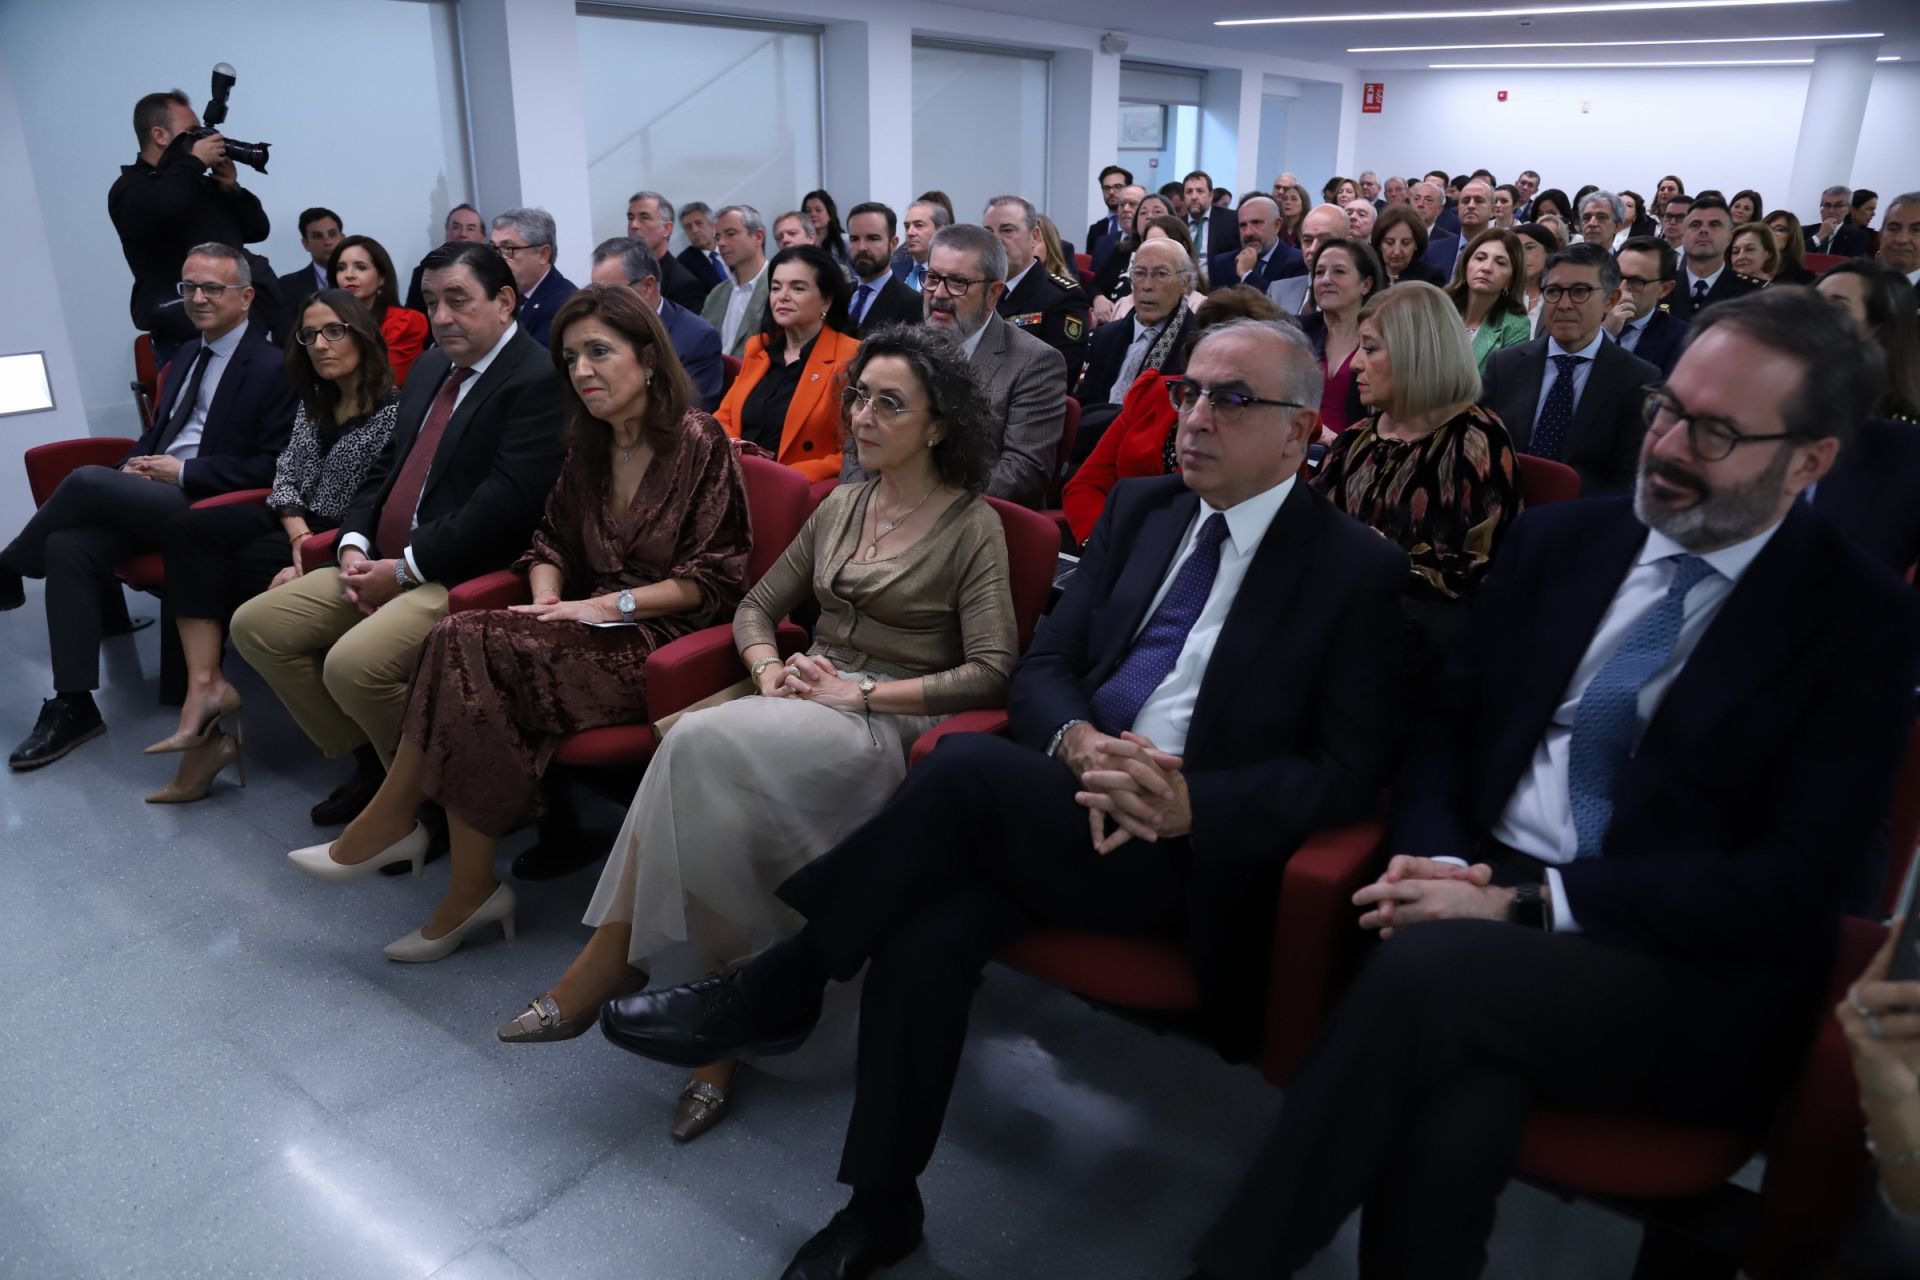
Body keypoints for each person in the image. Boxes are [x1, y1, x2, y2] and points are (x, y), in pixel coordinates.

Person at [598, 316, 1412, 1277]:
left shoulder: (1354, 568)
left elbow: (1351, 773)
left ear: (1297, 431)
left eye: (1230, 401)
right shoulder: (1147, 512)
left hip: (1177, 846)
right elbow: (1049, 666)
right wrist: (1075, 741)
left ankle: (786, 980)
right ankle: (881, 1204)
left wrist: (1197, 803)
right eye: (1188, 391)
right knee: (923, 931)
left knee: (959, 771)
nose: (1193, 417)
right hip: (1063, 799)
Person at [1190, 291, 1920, 1280]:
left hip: (1673, 971)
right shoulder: (1562, 541)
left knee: (1428, 974)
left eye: (1714, 432)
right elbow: (1451, 728)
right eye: (1667, 407)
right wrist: (1447, 859)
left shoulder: (1861, 622)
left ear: (1811, 458)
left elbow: (1793, 880)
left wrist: (1522, 904)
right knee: (1452, 1117)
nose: (1666, 446)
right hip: (1479, 899)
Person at [504, 324, 1017, 1150]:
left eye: (892, 404)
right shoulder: (844, 503)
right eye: (859, 397)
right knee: (707, 776)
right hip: (796, 698)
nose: (864, 417)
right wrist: (768, 664)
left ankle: (616, 964)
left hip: (885, 723)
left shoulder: (971, 525)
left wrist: (865, 690)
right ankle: (715, 1035)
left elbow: (993, 670)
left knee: (694, 745)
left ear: (939, 425)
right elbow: (753, 605)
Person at [288, 284, 752, 965]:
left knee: (462, 641)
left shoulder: (697, 439)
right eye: (570, 358)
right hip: (575, 632)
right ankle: (458, 881)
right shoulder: (588, 446)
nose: (583, 370)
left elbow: (715, 580)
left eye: (600, 352)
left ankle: (410, 838)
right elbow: (549, 546)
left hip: (658, 642)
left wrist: (601, 607)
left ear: (649, 359)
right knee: (466, 650)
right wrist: (543, 601)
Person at [230, 240, 565, 826]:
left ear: (505, 301)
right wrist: (354, 543)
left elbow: (506, 508)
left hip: (468, 572)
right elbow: (387, 465)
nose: (441, 317)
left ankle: (438, 803)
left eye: (458, 300)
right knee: (257, 625)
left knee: (352, 665)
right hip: (384, 558)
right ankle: (380, 770)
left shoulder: (535, 379)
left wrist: (404, 567)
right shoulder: (436, 364)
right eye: (432, 301)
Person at [0, 243, 296, 770]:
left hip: (215, 508)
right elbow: (158, 434)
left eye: (212, 288)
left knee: (88, 479)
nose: (197, 298)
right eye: (188, 287)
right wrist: (137, 466)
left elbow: (273, 467)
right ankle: (74, 705)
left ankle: (10, 567)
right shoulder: (184, 356)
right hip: (160, 499)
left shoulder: (275, 367)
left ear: (246, 297)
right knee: (70, 544)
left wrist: (179, 472)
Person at [145, 289, 400, 803]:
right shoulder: (315, 401)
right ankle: (205, 685)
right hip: (293, 523)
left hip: (345, 535)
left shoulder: (394, 412)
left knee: (228, 574)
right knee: (188, 531)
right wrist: (297, 540)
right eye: (309, 335)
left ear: (361, 334)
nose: (321, 346)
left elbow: (370, 503)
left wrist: (309, 554)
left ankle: (368, 762)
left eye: (334, 331)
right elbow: (285, 480)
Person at [1318, 280, 1521, 664]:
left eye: (1371, 348)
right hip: (1338, 610)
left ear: (1417, 353)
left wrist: (1367, 561)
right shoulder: (1356, 438)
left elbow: (1469, 572)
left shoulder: (1475, 439)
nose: (1356, 362)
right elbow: (1311, 523)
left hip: (1416, 639)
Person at [844, 225, 1068, 507]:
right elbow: (858, 441)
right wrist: (858, 504)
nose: (939, 294)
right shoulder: (901, 346)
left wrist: (923, 506)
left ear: (993, 293)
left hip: (967, 522)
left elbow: (1023, 470)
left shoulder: (1034, 362)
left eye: (958, 282)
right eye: (933, 277)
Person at [1061, 287, 1282, 544]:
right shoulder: (1153, 392)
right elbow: (1086, 485)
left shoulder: (1266, 422)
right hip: (1111, 545)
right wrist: (1103, 545)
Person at [109, 89, 285, 366]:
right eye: (191, 131)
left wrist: (230, 189)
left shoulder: (198, 183)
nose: (200, 139)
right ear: (159, 135)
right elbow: (167, 206)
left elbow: (257, 229)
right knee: (199, 409)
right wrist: (193, 162)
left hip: (242, 328)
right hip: (185, 336)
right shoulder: (130, 190)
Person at [1480, 241, 1659, 495]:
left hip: (1583, 520)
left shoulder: (1638, 379)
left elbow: (1626, 479)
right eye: (1553, 291)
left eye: (1580, 291)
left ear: (1610, 300)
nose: (1564, 304)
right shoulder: (1505, 365)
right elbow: (1480, 447)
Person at [714, 244, 859, 483]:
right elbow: (724, 418)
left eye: (797, 288)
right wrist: (736, 455)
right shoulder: (758, 348)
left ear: (826, 301)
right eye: (776, 287)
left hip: (798, 491)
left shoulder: (850, 356)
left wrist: (784, 479)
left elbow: (851, 452)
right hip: (739, 478)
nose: (782, 296)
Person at [588, 236, 724, 411]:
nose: (601, 304)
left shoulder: (697, 339)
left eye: (612, 293)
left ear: (647, 286)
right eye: (596, 292)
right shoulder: (600, 331)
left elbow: (690, 415)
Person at [1078, 239, 1198, 408]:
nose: (1147, 286)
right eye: (1139, 273)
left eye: (1161, 274)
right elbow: (1086, 405)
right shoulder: (1105, 337)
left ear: (1184, 283)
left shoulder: (1197, 344)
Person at [986, 195, 1091, 387]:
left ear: (1034, 237)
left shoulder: (1063, 297)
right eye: (988, 232)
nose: (995, 241)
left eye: (1007, 230)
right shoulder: (979, 290)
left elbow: (1059, 375)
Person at [1817, 260, 1920, 424]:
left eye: (1837, 307)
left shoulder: (1895, 426)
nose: (1813, 313)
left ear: (1880, 330)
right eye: (1813, 301)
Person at [1303, 238, 1385, 436]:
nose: (1325, 279)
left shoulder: (1384, 339)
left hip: (1355, 453)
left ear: (1366, 284)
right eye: (1319, 272)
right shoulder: (1297, 332)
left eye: (1339, 271)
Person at [327, 234, 428, 385]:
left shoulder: (406, 322)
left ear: (382, 278)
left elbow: (387, 381)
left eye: (361, 267)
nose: (348, 275)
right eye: (341, 268)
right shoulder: (328, 322)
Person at [1448, 227, 1533, 371]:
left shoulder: (1516, 326)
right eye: (1480, 258)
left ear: (1510, 280)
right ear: (1466, 265)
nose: (1487, 268)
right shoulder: (1438, 307)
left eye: (1500, 263)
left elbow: (1501, 386)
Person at [1669, 194, 1765, 321]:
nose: (1703, 230)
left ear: (1729, 238)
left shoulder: (1754, 295)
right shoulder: (1661, 287)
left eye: (1714, 225)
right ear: (1684, 235)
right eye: (1695, 224)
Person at [490, 207, 575, 347]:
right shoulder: (494, 293)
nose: (496, 259)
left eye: (509, 249)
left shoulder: (565, 304)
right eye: (494, 248)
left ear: (543, 254)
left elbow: (535, 363)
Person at [1605, 235, 1690, 375]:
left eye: (1636, 281)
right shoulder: (1588, 320)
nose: (1621, 288)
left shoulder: (1682, 339)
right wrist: (1605, 334)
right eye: (1616, 277)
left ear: (1665, 289)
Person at [1091, 193, 1180, 321]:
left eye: (1157, 211)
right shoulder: (1122, 252)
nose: (1149, 216)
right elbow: (1095, 286)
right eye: (1143, 213)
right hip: (1112, 320)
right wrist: (1098, 298)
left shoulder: (1177, 255)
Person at [700, 204, 770, 358]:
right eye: (717, 237)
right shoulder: (717, 294)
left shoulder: (778, 288)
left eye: (730, 234)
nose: (721, 243)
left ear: (758, 237)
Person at [841, 203, 922, 334]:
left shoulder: (911, 303)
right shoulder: (841, 295)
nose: (861, 247)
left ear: (893, 243)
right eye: (854, 239)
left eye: (872, 238)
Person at [625, 190, 709, 312]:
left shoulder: (684, 284)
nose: (634, 225)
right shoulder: (623, 272)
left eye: (644, 217)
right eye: (630, 218)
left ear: (666, 229)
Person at [1206, 195, 1302, 295]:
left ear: (1276, 225)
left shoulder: (1297, 262)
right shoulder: (1222, 264)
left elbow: (1281, 307)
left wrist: (1247, 274)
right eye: (1243, 225)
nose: (1248, 233)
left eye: (1256, 223)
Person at [1267, 205, 1350, 316]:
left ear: (1348, 243)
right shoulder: (1277, 292)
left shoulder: (1359, 295)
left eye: (1324, 240)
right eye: (1307, 240)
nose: (1313, 249)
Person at [404, 204, 486, 313]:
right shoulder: (423, 274)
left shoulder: (495, 271)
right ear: (446, 233)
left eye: (470, 228)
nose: (463, 234)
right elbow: (414, 320)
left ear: (482, 238)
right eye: (456, 227)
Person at [277, 207, 341, 305]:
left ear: (343, 239)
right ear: (306, 244)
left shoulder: (363, 278)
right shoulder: (287, 286)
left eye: (332, 234)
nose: (327, 242)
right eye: (318, 236)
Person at [1373, 204, 1445, 289]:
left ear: (1416, 244)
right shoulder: (1367, 274)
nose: (1397, 251)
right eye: (1389, 242)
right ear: (1380, 244)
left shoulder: (1431, 278)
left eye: (1405, 243)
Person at [890, 199, 950, 292]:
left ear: (940, 232)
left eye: (919, 225)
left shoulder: (951, 274)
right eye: (907, 226)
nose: (910, 232)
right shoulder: (892, 270)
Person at [1513, 221, 1562, 335]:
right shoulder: (1503, 295)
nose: (1522, 255)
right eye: (1517, 249)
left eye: (1530, 247)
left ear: (1549, 252)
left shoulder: (1562, 295)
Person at [1181, 169, 1240, 261]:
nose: (1194, 197)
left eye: (1200, 191)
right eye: (1189, 192)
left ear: (1211, 195)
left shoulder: (1231, 220)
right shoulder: (1178, 224)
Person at [1089, 184, 1143, 275]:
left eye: (1133, 204)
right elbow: (1093, 283)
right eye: (1121, 204)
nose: (1125, 209)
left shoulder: (1149, 243)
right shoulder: (1103, 242)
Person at [676, 201, 727, 295]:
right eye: (688, 227)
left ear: (712, 225)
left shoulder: (731, 246)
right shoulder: (684, 263)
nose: (694, 231)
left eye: (699, 223)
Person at [1809, 184, 1871, 257]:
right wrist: (1818, 236)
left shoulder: (1858, 236)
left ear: (1849, 209)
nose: (1831, 211)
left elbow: (1852, 265)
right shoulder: (1804, 231)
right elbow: (1794, 256)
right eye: (1827, 205)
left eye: (1838, 205)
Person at [803, 189, 851, 272]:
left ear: (830, 213)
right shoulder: (802, 242)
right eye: (808, 211)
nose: (813, 214)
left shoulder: (845, 241)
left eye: (818, 210)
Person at [1088, 164, 1133, 252]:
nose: (1111, 192)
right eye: (1107, 188)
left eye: (1118, 186)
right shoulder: (1095, 229)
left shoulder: (1139, 225)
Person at [1880, 191, 1920, 287]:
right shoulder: (1856, 283)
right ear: (1880, 235)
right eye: (1893, 229)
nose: (1902, 239)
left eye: (1916, 230)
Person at [1766, 209, 1817, 284]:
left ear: (1792, 237)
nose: (1770, 233)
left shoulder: (1803, 278)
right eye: (1766, 228)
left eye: (1779, 229)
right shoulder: (1749, 268)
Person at [1274, 182, 1309, 248]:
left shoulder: (1308, 230)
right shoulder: (1277, 228)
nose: (1288, 202)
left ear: (1303, 204)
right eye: (1285, 199)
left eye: (1294, 199)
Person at [1852, 188, 1882, 257]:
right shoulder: (1836, 232)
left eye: (1874, 209)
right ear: (1853, 210)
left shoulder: (1873, 238)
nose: (1873, 214)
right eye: (1869, 209)